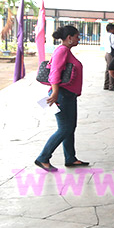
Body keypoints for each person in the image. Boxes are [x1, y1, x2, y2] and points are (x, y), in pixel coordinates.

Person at [34, 25, 89, 171]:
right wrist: (55, 92)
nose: (79, 38)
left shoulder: (66, 51)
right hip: (62, 95)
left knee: (70, 127)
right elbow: (55, 72)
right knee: (65, 128)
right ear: (69, 38)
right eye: (77, 36)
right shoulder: (62, 50)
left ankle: (70, 158)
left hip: (68, 95)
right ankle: (43, 157)